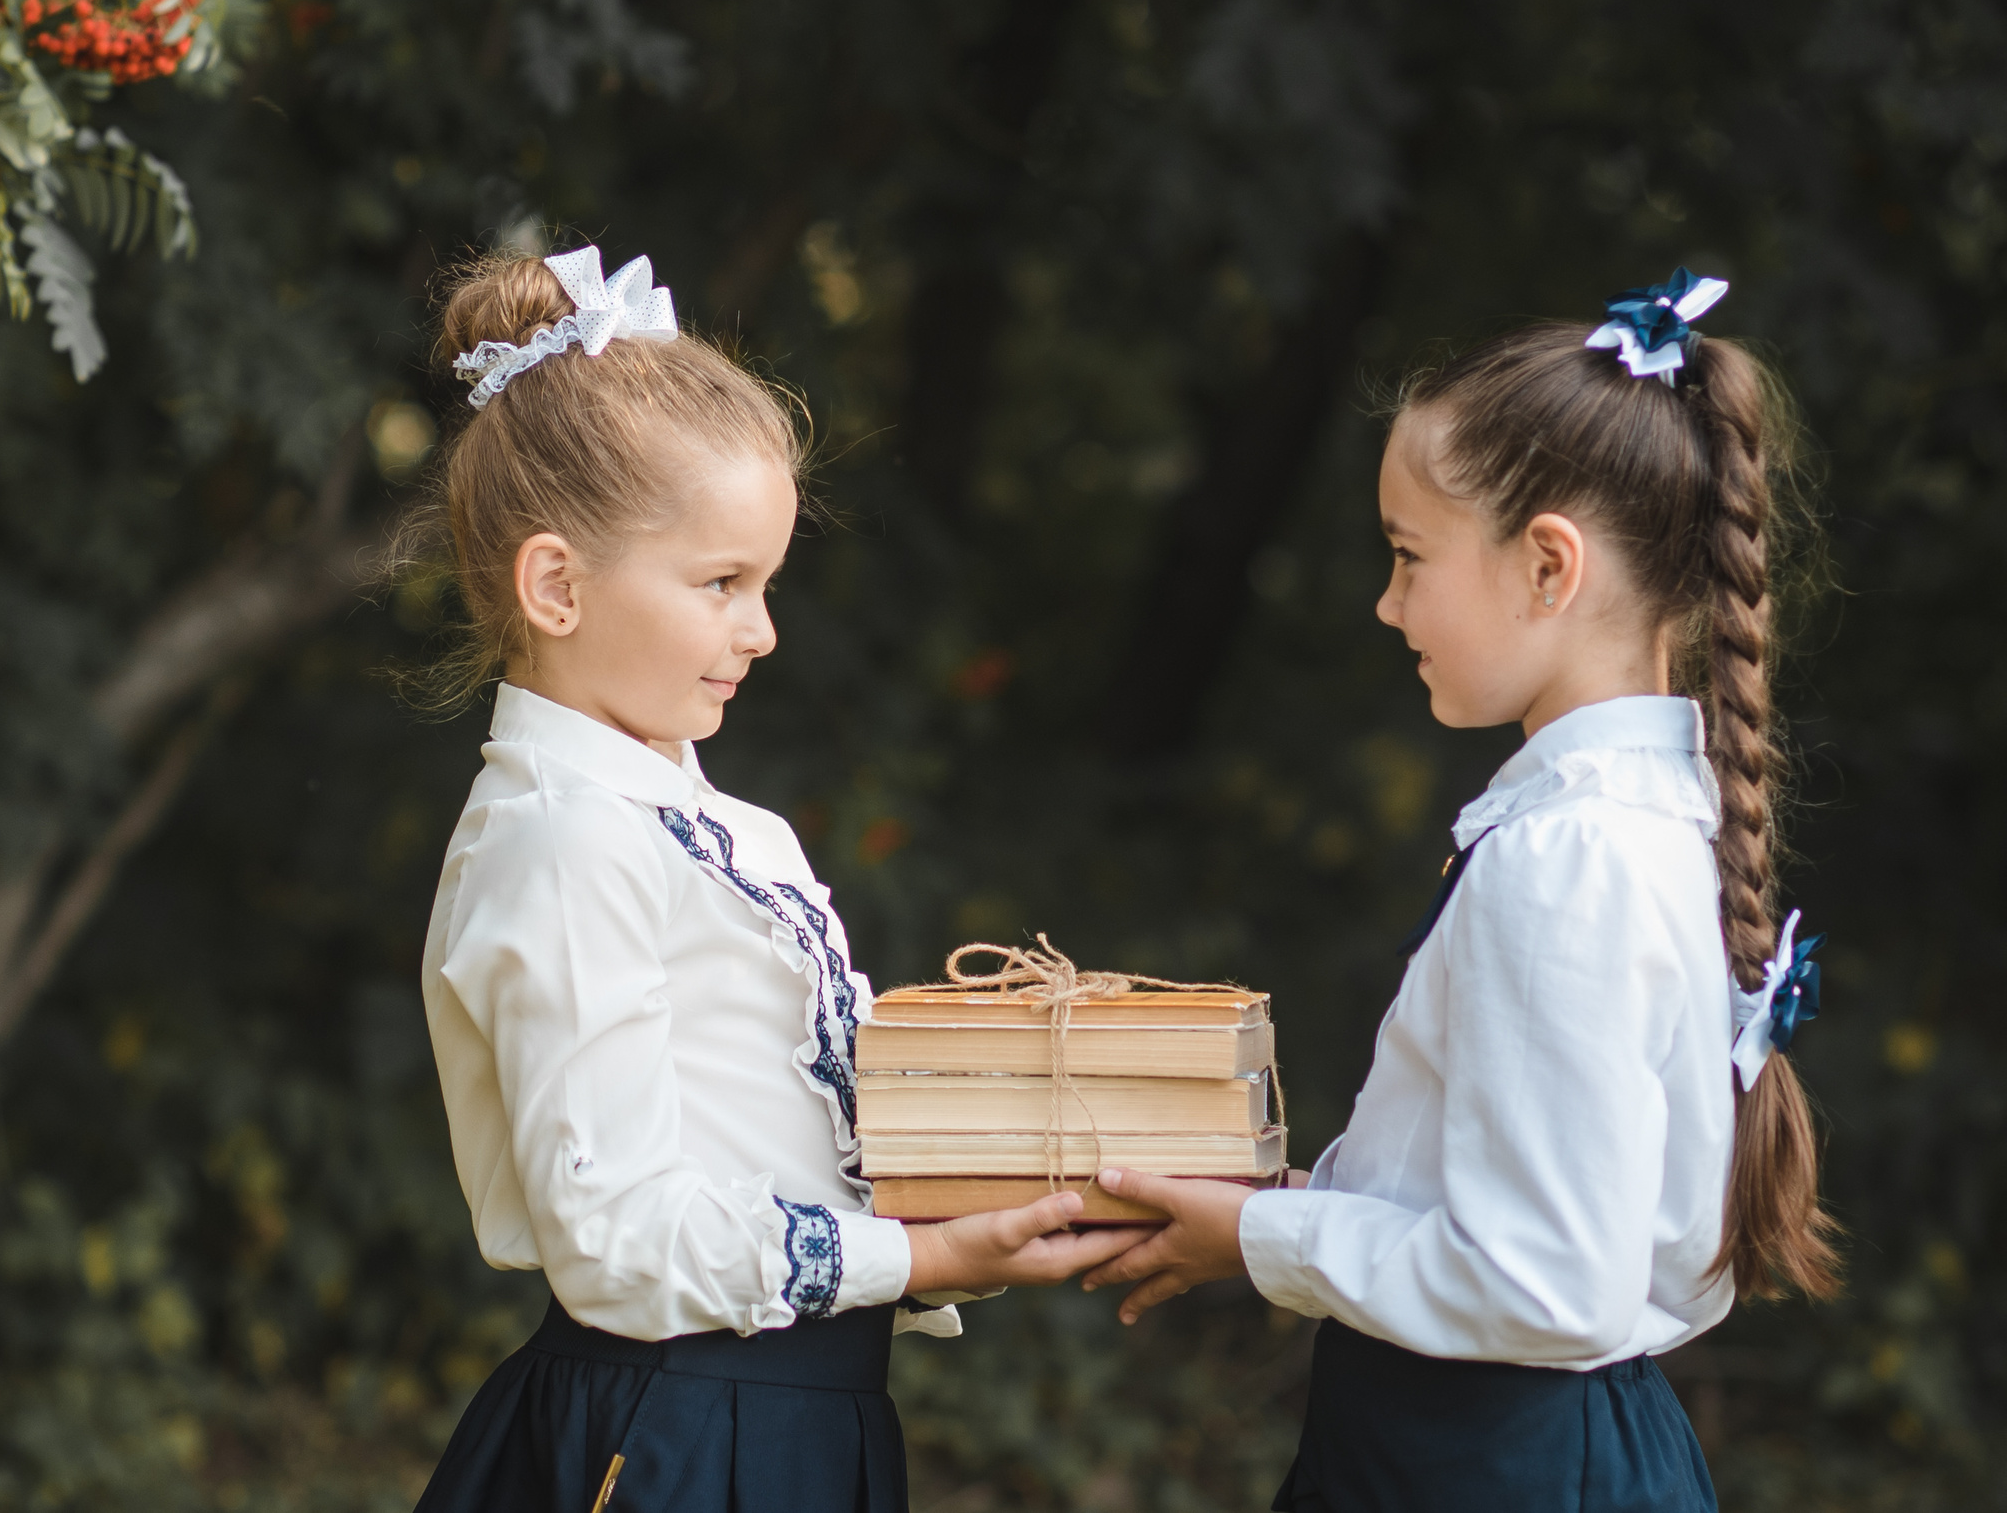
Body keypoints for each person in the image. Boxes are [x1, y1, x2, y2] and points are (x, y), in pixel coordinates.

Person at [409, 245, 1150, 1513]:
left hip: (799, 1419)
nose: (759, 630)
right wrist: (918, 1250)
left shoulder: (727, 830)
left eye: (764, 585)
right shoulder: (563, 839)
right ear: (556, 584)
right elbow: (618, 1245)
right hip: (683, 1432)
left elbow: (795, 1144)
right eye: (720, 585)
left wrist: (1001, 1193)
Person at [1080, 272, 1838, 1511]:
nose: (1386, 604)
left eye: (1406, 557)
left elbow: (1540, 1284)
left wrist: (1263, 1240)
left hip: (1487, 1462)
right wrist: (1288, 1207)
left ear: (1549, 568)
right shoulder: (1635, 826)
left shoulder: (1570, 863)